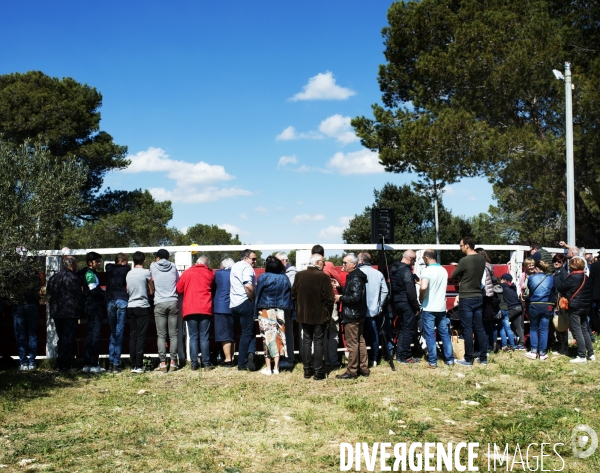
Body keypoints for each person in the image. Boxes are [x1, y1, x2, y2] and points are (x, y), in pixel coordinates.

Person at [291, 253, 334, 380]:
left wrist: (300, 305)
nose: (324, 264)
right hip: (320, 315)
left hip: (303, 315)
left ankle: (307, 370)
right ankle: (318, 371)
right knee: (318, 342)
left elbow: (293, 295)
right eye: (323, 262)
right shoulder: (323, 277)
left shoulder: (299, 275)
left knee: (306, 341)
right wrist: (328, 312)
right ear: (318, 262)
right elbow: (330, 298)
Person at [451, 237, 487, 366]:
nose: (460, 248)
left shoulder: (464, 260)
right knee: (479, 328)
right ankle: (483, 358)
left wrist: (459, 268)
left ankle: (468, 358)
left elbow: (453, 275)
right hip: (478, 295)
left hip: (466, 296)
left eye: (461, 246)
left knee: (467, 328)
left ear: (467, 245)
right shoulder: (481, 259)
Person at [176, 255, 215, 370]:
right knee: (204, 337)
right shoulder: (209, 274)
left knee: (193, 337)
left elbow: (179, 289)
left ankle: (194, 363)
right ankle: (206, 363)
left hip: (190, 308)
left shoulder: (187, 273)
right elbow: (213, 288)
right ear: (206, 264)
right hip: (205, 307)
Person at [255, 256, 292, 375]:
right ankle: (276, 367)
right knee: (279, 338)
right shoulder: (285, 278)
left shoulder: (263, 277)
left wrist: (255, 310)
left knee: (267, 338)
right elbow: (288, 296)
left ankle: (268, 368)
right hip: (280, 310)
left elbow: (258, 294)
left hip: (265, 309)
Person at [46, 256, 84, 372]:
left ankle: (59, 363)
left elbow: (48, 294)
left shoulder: (54, 278)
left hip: (57, 312)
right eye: (76, 264)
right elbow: (78, 296)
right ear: (71, 264)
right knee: (68, 338)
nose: (76, 266)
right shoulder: (73, 278)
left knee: (61, 338)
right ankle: (65, 365)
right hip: (70, 312)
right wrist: (80, 309)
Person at [335, 253, 369, 379]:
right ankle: (364, 368)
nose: (343, 265)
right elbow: (353, 293)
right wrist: (340, 288)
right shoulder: (355, 276)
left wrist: (340, 298)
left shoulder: (355, 278)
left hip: (352, 315)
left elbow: (355, 297)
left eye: (345, 263)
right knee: (360, 341)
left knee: (353, 343)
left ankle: (352, 371)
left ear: (353, 264)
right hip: (358, 314)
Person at [419, 249, 454, 368]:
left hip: (429, 307)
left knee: (430, 335)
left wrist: (420, 297)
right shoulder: (443, 270)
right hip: (441, 307)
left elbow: (424, 287)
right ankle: (450, 360)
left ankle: (433, 361)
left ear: (426, 258)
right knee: (444, 334)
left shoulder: (426, 271)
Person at [558, 257, 594, 363]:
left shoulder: (572, 277)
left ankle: (581, 355)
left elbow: (560, 287)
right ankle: (591, 354)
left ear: (572, 266)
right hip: (586, 306)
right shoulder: (586, 277)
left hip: (574, 306)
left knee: (577, 330)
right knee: (585, 330)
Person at [150, 248, 180, 372]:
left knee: (161, 335)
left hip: (159, 302)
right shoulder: (173, 266)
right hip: (173, 301)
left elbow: (150, 280)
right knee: (173, 334)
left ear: (158, 257)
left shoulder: (153, 266)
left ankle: (162, 363)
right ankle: (173, 362)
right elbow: (178, 281)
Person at [357, 252, 388, 367]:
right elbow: (385, 291)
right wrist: (379, 305)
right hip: (374, 311)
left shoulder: (357, 273)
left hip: (359, 311)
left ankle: (361, 360)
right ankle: (374, 359)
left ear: (360, 261)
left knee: (359, 337)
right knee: (374, 335)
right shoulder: (378, 274)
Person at [390, 250, 420, 364]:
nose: (413, 263)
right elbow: (410, 290)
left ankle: (400, 355)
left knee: (403, 329)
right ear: (410, 258)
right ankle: (406, 356)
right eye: (414, 260)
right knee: (408, 330)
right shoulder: (406, 270)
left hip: (397, 302)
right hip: (407, 303)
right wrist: (416, 306)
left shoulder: (394, 269)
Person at [230, 249, 258, 371]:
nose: (255, 261)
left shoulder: (235, 266)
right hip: (244, 301)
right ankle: (242, 362)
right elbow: (248, 286)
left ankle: (251, 354)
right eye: (253, 259)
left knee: (249, 331)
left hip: (234, 303)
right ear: (246, 258)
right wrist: (252, 300)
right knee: (247, 333)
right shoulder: (247, 268)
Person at [13, 256, 42, 371]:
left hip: (19, 305)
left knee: (20, 335)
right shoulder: (33, 274)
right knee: (32, 334)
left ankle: (23, 362)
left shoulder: (15, 274)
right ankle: (32, 361)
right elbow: (39, 288)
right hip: (32, 305)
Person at [78, 252, 106, 373]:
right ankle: (93, 363)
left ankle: (87, 363)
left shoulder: (88, 273)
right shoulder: (89, 274)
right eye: (97, 261)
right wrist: (105, 295)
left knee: (90, 335)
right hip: (94, 307)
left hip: (90, 307)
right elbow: (93, 290)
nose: (99, 263)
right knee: (95, 335)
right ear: (90, 262)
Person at [127, 251, 154, 373]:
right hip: (142, 306)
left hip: (131, 305)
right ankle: (139, 365)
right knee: (141, 336)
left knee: (133, 336)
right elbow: (151, 291)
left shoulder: (128, 273)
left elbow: (127, 289)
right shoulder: (146, 273)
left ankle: (133, 365)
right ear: (144, 261)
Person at [523, 258, 555, 361]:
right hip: (547, 304)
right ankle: (542, 353)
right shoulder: (551, 278)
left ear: (537, 268)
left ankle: (533, 351)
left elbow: (529, 290)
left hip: (534, 304)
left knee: (533, 328)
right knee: (544, 329)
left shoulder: (531, 278)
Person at [105, 253, 130, 373]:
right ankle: (116, 363)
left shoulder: (109, 269)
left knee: (113, 332)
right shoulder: (126, 269)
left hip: (110, 300)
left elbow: (108, 265)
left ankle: (110, 363)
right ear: (123, 262)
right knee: (119, 331)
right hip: (121, 300)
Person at [275, 252, 297, 370]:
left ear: (284, 261)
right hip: (283, 305)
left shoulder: (291, 273)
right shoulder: (285, 273)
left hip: (287, 306)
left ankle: (289, 359)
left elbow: (290, 288)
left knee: (287, 332)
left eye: (278, 262)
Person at [213, 258, 235, 368]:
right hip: (234, 305)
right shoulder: (235, 273)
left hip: (221, 306)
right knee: (231, 333)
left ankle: (228, 359)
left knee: (224, 334)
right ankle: (232, 357)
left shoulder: (219, 273)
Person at [551, 254, 569, 355]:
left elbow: (564, 287)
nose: (556, 263)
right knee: (556, 324)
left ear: (563, 263)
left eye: (559, 262)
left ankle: (564, 348)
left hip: (560, 302)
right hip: (554, 302)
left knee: (561, 325)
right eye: (555, 261)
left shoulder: (563, 273)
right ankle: (560, 346)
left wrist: (559, 296)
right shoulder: (554, 273)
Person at [498, 274, 519, 351]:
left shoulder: (501, 287)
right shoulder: (512, 287)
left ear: (504, 280)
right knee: (508, 328)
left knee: (501, 328)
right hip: (507, 308)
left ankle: (504, 345)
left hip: (501, 309)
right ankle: (512, 345)